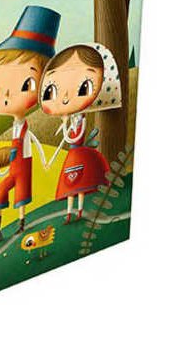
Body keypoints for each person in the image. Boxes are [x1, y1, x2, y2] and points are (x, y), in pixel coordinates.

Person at [0, 6, 61, 244]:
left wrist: (44, 160)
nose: (6, 96)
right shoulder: (16, 127)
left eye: (26, 85)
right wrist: (2, 162)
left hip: (24, 167)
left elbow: (31, 143)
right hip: (14, 168)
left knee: (21, 197)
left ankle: (21, 222)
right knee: (0, 191)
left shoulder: (25, 129)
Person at [40, 43, 122, 223]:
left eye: (84, 87)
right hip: (72, 157)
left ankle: (79, 211)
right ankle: (69, 212)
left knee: (80, 188)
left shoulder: (81, 120)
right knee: (70, 188)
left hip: (79, 156)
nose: (66, 98)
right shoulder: (69, 121)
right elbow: (66, 139)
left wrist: (69, 128)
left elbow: (76, 137)